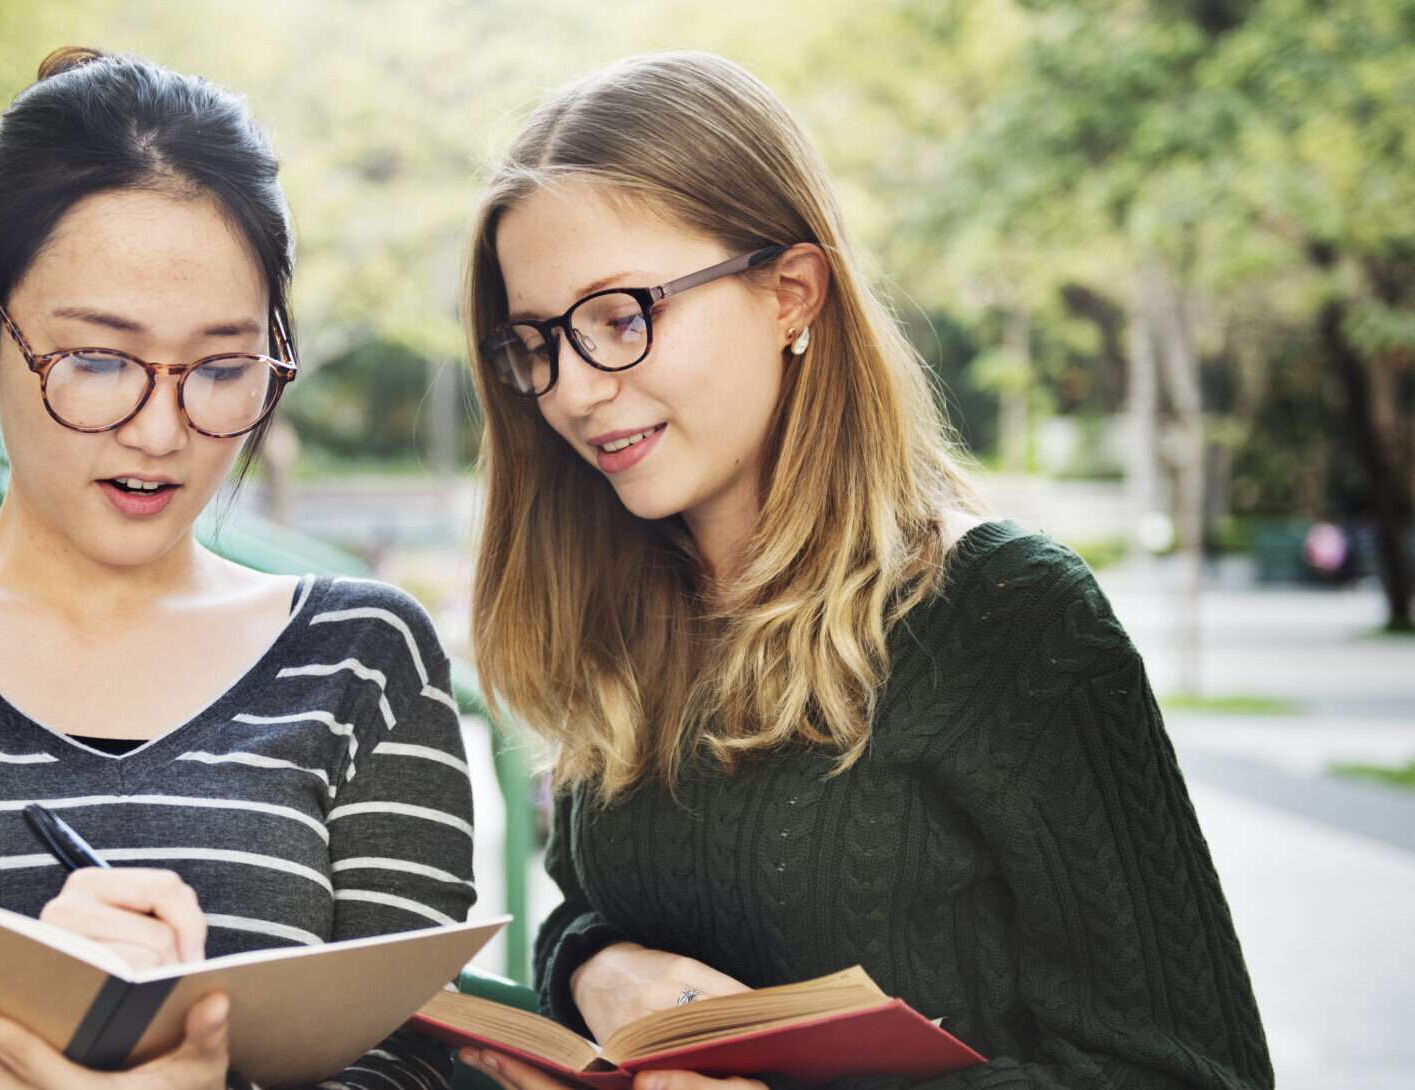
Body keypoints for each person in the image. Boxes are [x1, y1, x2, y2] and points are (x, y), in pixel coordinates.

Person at [452, 52, 1271, 1090]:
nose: (568, 390)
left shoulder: (1008, 617)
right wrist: (596, 970)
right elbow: (606, 907)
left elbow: (1196, 1076)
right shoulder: (619, 618)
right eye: (536, 342)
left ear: (790, 293)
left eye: (618, 317)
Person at [0, 47, 474, 1090]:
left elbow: (421, 1066)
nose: (159, 430)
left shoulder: (365, 659)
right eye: (97, 361)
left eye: (221, 368)